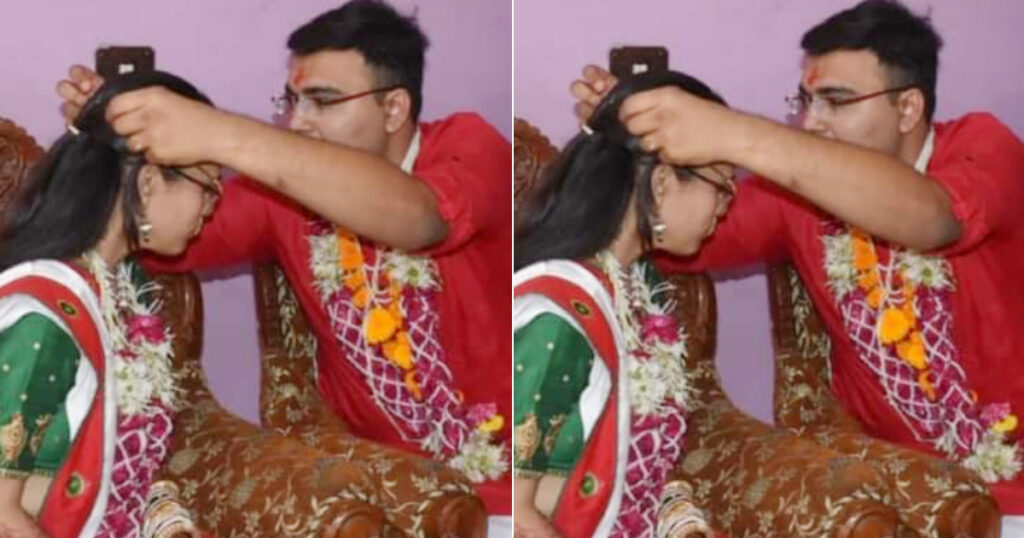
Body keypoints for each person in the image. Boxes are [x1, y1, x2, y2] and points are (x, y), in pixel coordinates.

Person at [57, 0, 512, 529]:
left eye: (322, 101)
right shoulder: (283, 199)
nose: (297, 121)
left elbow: (421, 220)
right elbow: (158, 232)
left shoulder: (470, 146)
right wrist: (117, 149)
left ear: (393, 109)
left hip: (516, 487)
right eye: (293, 100)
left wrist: (221, 133)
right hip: (380, 494)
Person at [571, 0, 1024, 531]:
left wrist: (735, 133)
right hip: (889, 495)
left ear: (907, 109)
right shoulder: (797, 200)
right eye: (806, 101)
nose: (811, 122)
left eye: (835, 101)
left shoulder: (984, 147)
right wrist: (632, 145)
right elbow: (674, 233)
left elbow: (936, 220)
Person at [514, 71, 734, 538]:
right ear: (662, 184)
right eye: (722, 185)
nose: (724, 208)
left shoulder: (638, 290)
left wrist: (681, 522)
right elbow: (516, 516)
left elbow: (642, 469)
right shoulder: (558, 317)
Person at [0, 72, 220, 537]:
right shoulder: (45, 318)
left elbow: (126, 468)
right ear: (148, 184)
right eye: (208, 185)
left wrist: (165, 519)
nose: (211, 207)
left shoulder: (123, 291)